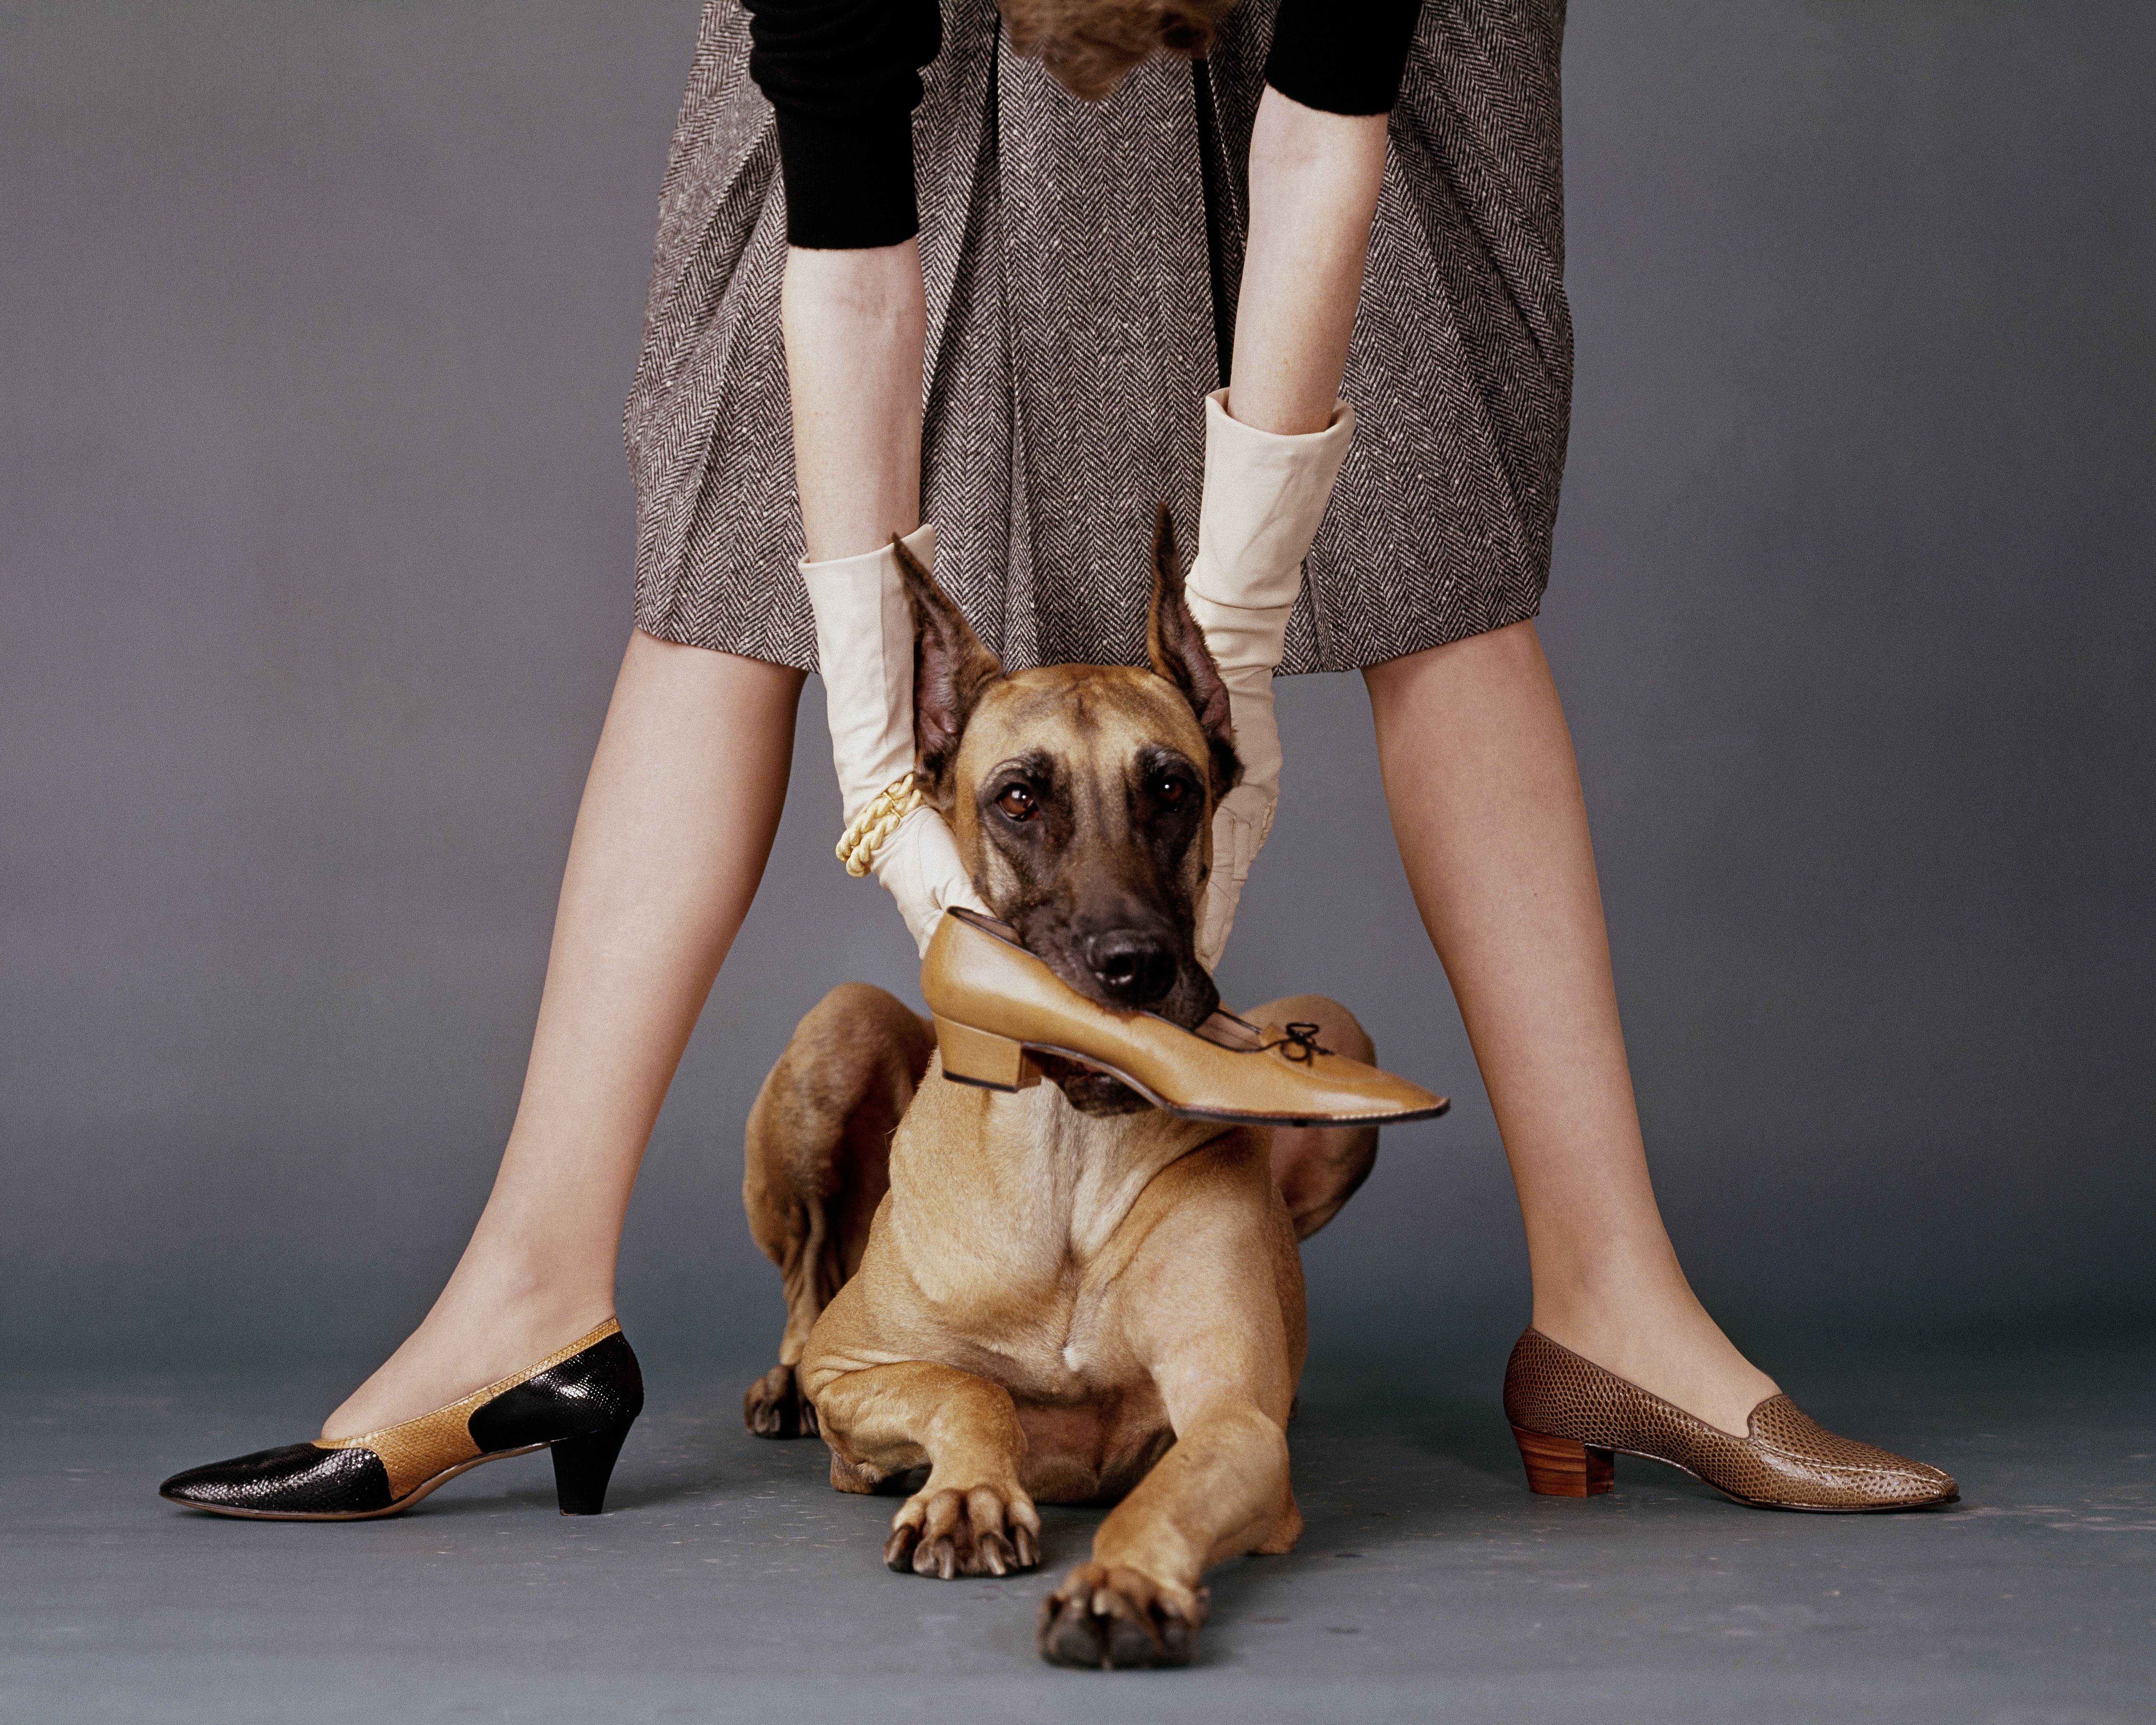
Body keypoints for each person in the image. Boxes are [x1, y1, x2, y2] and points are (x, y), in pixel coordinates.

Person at [159, 0, 1953, 1522]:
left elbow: (1323, 150)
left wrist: (1231, 666)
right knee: (731, 556)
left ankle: (1611, 1302)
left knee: (1444, 543)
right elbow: (848, 280)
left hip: (1335, 89)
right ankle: (530, 1289)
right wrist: (889, 781)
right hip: (882, 113)